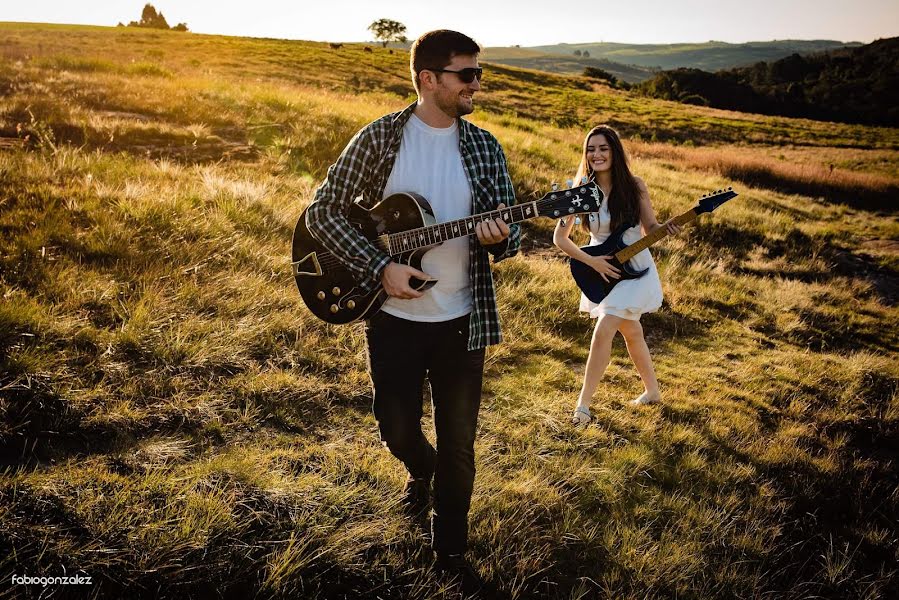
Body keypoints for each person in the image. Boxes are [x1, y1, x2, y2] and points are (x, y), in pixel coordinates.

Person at [305, 29, 520, 595]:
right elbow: (322, 212)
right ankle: (417, 470)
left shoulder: (484, 148)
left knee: (460, 442)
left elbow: (510, 237)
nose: (478, 83)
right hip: (393, 318)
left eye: (479, 73)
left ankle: (449, 548)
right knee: (396, 428)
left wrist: (501, 237)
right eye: (466, 74)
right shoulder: (380, 139)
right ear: (429, 79)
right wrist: (379, 267)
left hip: (462, 320)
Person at [553, 125, 680, 426]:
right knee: (632, 332)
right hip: (600, 267)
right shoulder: (580, 191)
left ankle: (582, 406)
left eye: (603, 148)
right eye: (591, 149)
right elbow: (560, 239)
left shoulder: (635, 186)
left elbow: (651, 229)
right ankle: (652, 391)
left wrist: (670, 227)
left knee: (605, 325)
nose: (596, 154)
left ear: (615, 151)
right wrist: (592, 263)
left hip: (634, 269)